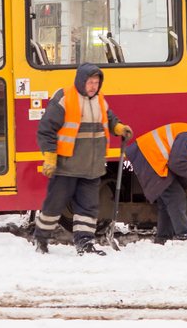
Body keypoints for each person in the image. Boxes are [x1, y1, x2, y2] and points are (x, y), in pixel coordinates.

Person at [33, 63, 132, 255]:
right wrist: (50, 156)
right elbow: (46, 130)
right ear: (81, 81)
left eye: (96, 82)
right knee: (54, 205)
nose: (94, 86)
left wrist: (118, 127)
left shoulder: (100, 100)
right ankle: (41, 238)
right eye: (90, 82)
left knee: (88, 207)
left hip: (92, 167)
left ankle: (85, 242)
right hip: (66, 166)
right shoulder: (64, 97)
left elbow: (109, 118)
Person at [125, 119, 187, 243]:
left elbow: (177, 167)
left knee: (166, 202)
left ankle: (163, 238)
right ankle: (184, 237)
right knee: (176, 197)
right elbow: (176, 164)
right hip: (151, 158)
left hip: (151, 158)